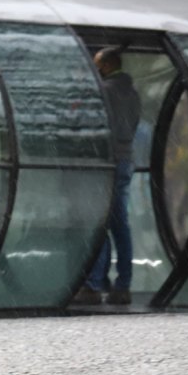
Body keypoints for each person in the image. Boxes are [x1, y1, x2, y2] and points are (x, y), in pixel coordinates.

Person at [74, 47, 141, 307]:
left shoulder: (104, 91)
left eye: (97, 65)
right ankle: (123, 285)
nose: (95, 69)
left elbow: (87, 123)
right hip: (125, 160)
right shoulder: (132, 93)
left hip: (106, 161)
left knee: (99, 222)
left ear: (108, 65)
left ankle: (93, 285)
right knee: (119, 225)